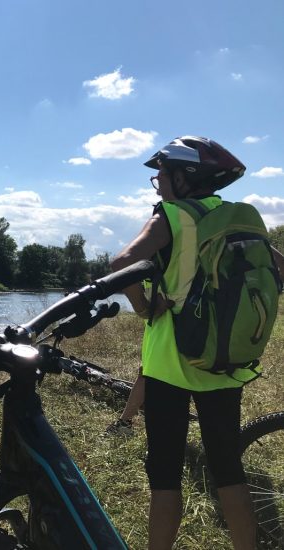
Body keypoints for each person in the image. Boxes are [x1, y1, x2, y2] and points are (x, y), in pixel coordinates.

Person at [110, 136, 284, 550]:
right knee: (229, 470)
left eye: (162, 176)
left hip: (170, 366)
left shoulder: (172, 215)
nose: (158, 183)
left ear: (185, 178)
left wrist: (146, 307)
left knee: (165, 476)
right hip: (225, 361)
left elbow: (121, 264)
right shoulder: (241, 217)